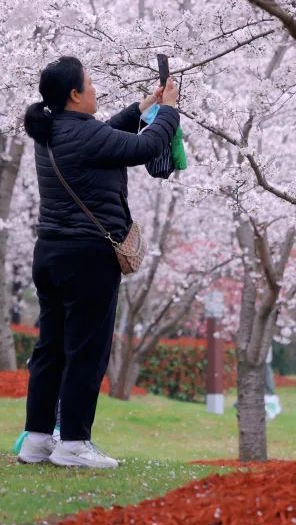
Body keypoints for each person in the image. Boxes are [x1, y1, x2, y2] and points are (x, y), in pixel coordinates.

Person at [17, 56, 178, 468]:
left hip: (50, 254)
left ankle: (37, 439)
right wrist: (169, 110)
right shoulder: (84, 135)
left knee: (51, 348)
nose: (95, 89)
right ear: (74, 94)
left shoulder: (50, 130)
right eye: (89, 84)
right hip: (87, 257)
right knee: (87, 350)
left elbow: (106, 134)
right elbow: (145, 147)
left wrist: (145, 106)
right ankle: (73, 443)